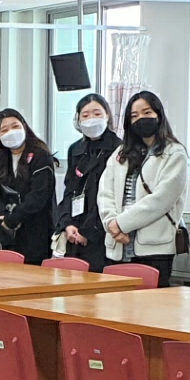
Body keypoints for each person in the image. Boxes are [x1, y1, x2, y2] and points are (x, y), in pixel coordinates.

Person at [97, 90, 188, 286]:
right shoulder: (120, 153)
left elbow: (161, 200)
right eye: (134, 116)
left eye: (147, 113)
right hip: (118, 243)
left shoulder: (174, 153)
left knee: (151, 303)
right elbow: (105, 192)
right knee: (116, 302)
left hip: (154, 247)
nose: (140, 119)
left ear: (159, 115)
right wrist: (111, 222)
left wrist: (121, 223)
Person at [58, 93, 121, 271]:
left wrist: (88, 232)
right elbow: (69, 190)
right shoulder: (75, 149)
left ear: (107, 115)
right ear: (78, 120)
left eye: (97, 114)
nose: (91, 119)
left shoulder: (119, 148)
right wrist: (67, 224)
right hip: (74, 231)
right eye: (85, 115)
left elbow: (113, 197)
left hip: (102, 233)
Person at [0, 108, 57, 265]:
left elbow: (39, 195)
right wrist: (3, 214)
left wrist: (14, 218)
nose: (10, 132)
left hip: (36, 231)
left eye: (15, 126)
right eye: (4, 130)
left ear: (24, 126)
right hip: (8, 231)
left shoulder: (40, 155)